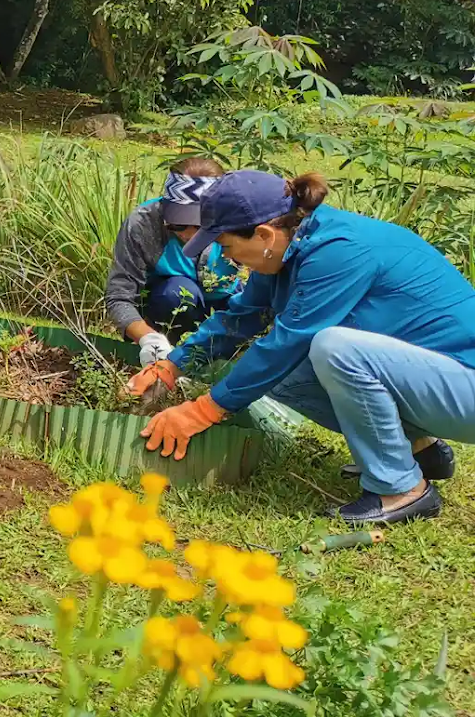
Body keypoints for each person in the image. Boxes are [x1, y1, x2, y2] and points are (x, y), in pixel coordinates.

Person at [130, 170, 475, 524]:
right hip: (435, 380)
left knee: (333, 347)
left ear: (263, 234)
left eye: (227, 246)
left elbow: (289, 341)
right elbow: (240, 318)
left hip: (466, 387)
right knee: (284, 376)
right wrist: (171, 365)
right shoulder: (288, 245)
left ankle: (401, 489)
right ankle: (419, 451)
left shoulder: (338, 251)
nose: (227, 257)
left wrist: (202, 411)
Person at [106, 158, 243, 367]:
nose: (188, 234)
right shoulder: (144, 222)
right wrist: (148, 338)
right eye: (178, 224)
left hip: (223, 307)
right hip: (167, 306)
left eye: (199, 225)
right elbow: (119, 296)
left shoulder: (239, 224)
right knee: (178, 292)